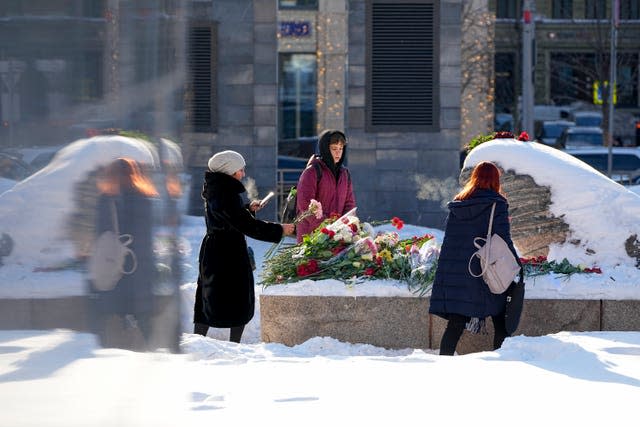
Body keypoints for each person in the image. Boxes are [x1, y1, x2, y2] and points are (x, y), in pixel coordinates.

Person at [193, 150, 295, 342]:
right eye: (240, 169)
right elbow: (245, 225)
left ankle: (200, 340)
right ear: (230, 170)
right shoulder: (225, 193)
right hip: (227, 254)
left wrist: (247, 209)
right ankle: (226, 344)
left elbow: (230, 217)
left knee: (211, 296)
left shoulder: (219, 188)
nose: (243, 173)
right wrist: (280, 229)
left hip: (218, 251)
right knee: (234, 298)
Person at [428, 161, 521, 356]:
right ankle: (502, 362)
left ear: (474, 178)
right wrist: (518, 265)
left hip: (460, 273)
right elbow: (503, 240)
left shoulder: (458, 204)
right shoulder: (497, 204)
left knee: (456, 323)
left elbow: (450, 241)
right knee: (500, 320)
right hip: (485, 270)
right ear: (496, 181)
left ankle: (443, 363)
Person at [88, 157, 159, 351]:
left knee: (103, 311)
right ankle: (156, 355)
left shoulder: (107, 199)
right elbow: (147, 234)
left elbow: (101, 236)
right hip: (140, 266)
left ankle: (101, 352)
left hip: (116, 265)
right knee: (143, 317)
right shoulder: (144, 197)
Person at [295, 129, 356, 242]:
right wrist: (326, 226)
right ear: (325, 149)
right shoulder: (312, 171)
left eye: (341, 149)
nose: (338, 153)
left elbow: (349, 203)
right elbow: (305, 205)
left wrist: (346, 224)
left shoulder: (345, 174)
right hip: (311, 237)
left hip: (337, 236)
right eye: (334, 149)